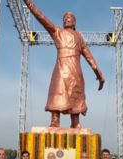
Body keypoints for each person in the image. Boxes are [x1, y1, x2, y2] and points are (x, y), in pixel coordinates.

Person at [23, 0, 105, 128]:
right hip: (61, 68)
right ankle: (55, 119)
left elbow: (90, 58)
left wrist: (99, 75)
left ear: (74, 22)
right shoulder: (57, 32)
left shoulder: (79, 38)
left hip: (75, 71)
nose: (67, 19)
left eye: (69, 18)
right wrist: (28, 3)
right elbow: (41, 17)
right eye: (65, 18)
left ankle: (75, 121)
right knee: (57, 93)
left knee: (76, 95)